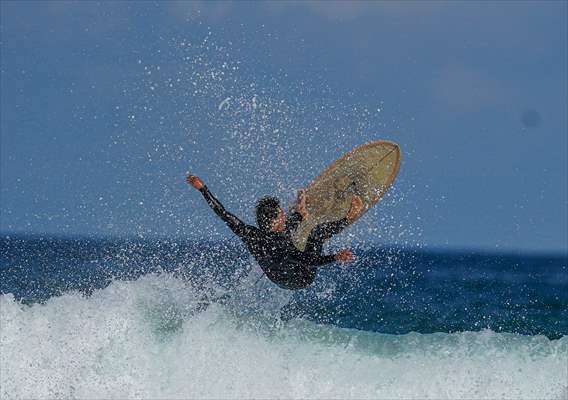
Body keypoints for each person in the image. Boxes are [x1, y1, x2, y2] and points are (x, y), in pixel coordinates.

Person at [186, 175, 363, 290]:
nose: (283, 214)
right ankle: (348, 217)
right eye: (281, 214)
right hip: (301, 278)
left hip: (277, 279)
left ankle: (300, 212)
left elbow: (223, 213)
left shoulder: (250, 234)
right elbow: (309, 261)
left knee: (285, 231)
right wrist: (335, 257)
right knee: (315, 233)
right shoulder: (281, 245)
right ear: (273, 220)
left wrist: (203, 189)